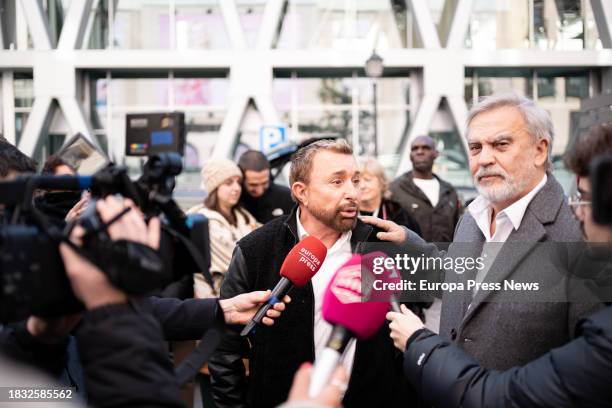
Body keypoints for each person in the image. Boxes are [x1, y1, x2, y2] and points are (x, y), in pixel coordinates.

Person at [366, 93, 600, 372]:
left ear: (540, 150)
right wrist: (410, 243)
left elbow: (589, 370)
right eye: (475, 147)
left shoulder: (581, 237)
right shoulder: (472, 216)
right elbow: (462, 279)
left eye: (501, 144)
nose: (485, 158)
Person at [209, 139, 414, 408]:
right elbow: (225, 349)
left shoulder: (384, 245)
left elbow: (415, 327)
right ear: (301, 192)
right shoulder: (255, 250)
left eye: (355, 180)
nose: (352, 192)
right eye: (337, 182)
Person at [188, 158, 260, 298]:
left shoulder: (242, 215)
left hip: (241, 294)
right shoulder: (206, 221)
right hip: (217, 299)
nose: (236, 188)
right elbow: (237, 263)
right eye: (228, 183)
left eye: (238, 182)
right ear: (214, 188)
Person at [390, 135, 461, 245]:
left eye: (426, 148)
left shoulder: (449, 192)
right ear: (410, 156)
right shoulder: (395, 189)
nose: (419, 152)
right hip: (410, 260)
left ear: (436, 154)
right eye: (415, 148)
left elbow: (459, 231)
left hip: (445, 259)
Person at [357, 156, 421, 235]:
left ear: (381, 182)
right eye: (356, 181)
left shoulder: (396, 212)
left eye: (367, 180)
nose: (362, 186)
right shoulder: (345, 213)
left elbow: (415, 243)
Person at [237, 149, 294, 224]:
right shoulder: (234, 201)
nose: (259, 190)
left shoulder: (287, 197)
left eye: (264, 183)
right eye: (253, 185)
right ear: (241, 179)